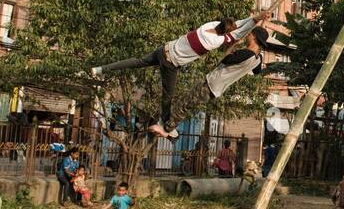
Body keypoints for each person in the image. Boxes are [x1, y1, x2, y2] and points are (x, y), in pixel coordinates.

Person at [90, 11, 269, 138]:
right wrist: (255, 21)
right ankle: (165, 127)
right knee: (169, 98)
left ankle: (101, 69)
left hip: (164, 49)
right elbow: (237, 33)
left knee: (138, 61)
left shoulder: (210, 26)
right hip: (171, 63)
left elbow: (236, 26)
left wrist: (256, 19)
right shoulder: (214, 41)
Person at [204, 26, 273, 99]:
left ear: (254, 37)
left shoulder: (245, 53)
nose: (247, 36)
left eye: (249, 34)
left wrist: (234, 44)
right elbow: (257, 71)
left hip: (210, 84)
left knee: (191, 99)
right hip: (218, 91)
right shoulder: (258, 59)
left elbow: (224, 59)